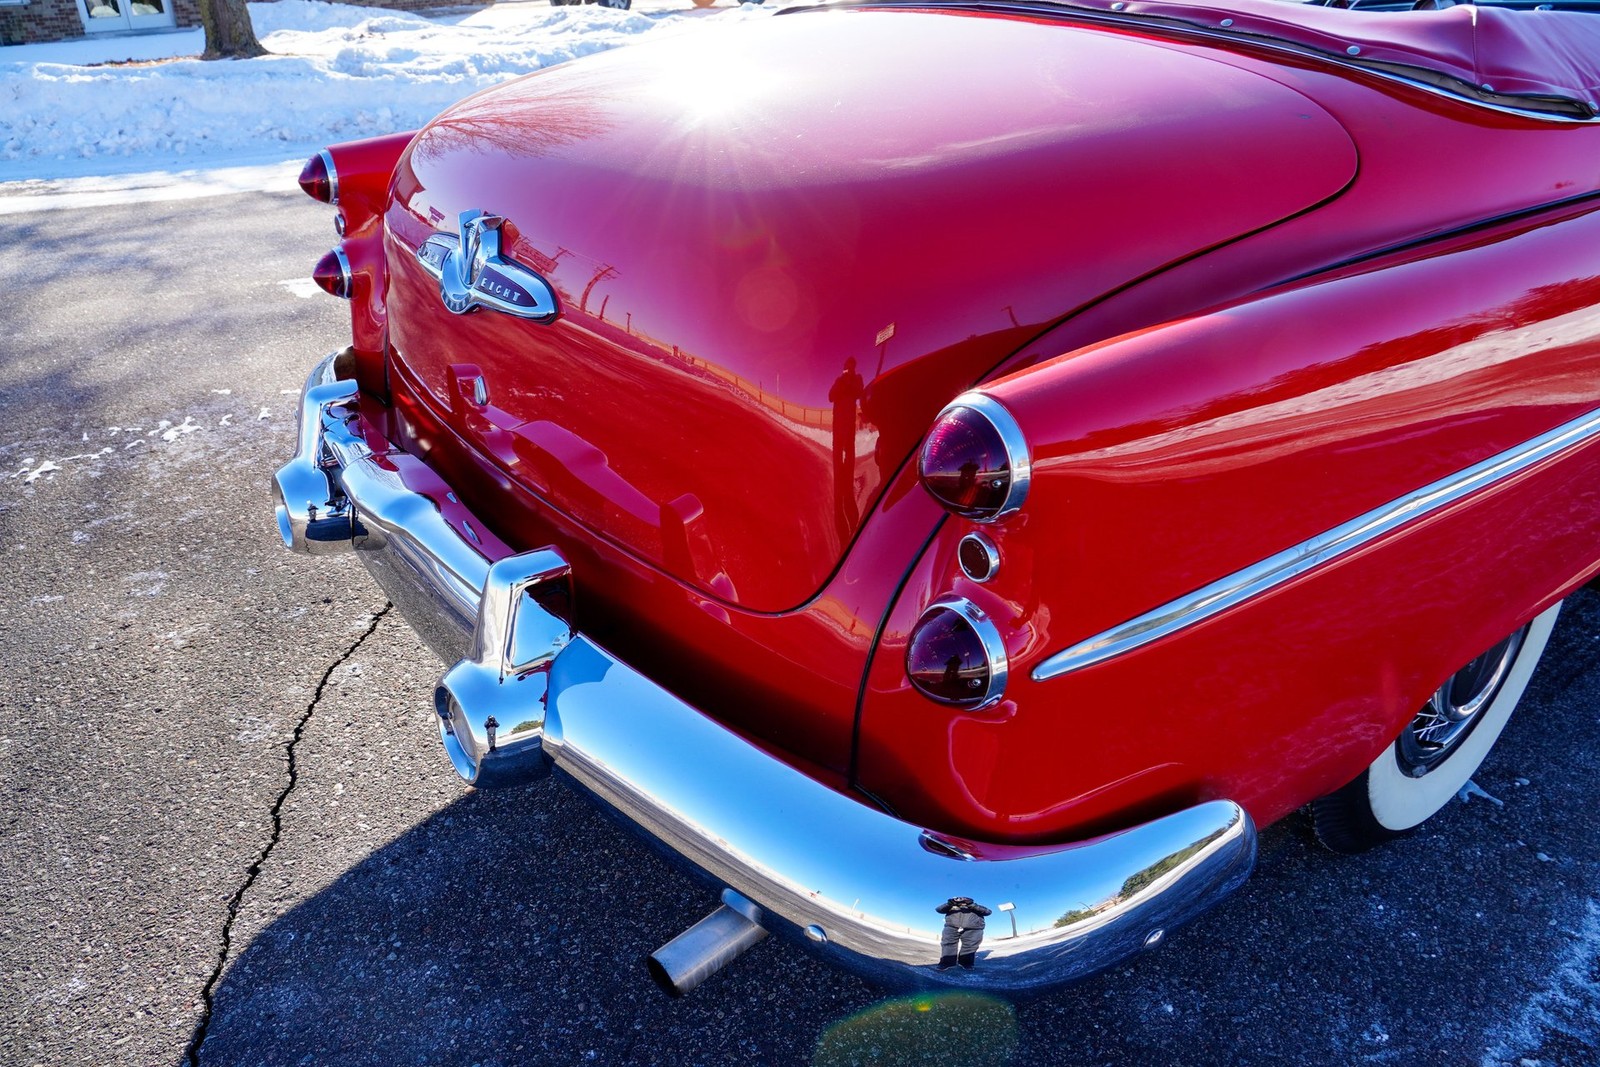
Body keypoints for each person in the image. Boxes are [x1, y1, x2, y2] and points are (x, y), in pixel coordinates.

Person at [935, 896, 991, 970]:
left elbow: (988, 912)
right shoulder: (952, 906)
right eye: (959, 899)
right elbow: (939, 910)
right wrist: (949, 903)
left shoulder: (975, 906)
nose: (961, 901)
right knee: (948, 944)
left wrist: (971, 904)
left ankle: (966, 963)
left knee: (970, 946)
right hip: (952, 927)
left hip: (974, 929)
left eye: (964, 899)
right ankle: (946, 963)